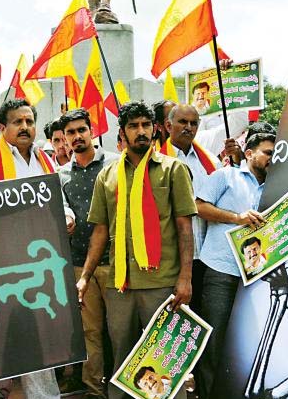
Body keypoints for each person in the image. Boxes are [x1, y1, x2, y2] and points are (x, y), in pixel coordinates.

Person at [77, 101, 197, 399]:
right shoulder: (107, 175)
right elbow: (100, 231)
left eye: (145, 125)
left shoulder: (173, 169)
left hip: (162, 282)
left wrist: (185, 278)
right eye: (133, 126)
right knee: (124, 359)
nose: (141, 131)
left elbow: (185, 228)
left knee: (165, 360)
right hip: (120, 285)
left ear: (155, 129)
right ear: (122, 133)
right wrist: (85, 276)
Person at [0, 98, 69, 399]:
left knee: (40, 335)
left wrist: (67, 217)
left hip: (40, 262)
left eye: (29, 121)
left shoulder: (45, 160)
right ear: (2, 127)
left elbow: (58, 201)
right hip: (1, 263)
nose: (25, 127)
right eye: (17, 122)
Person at [193, 132, 276, 398]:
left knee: (248, 344)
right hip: (222, 271)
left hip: (257, 278)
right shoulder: (225, 176)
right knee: (215, 341)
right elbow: (199, 207)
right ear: (249, 153)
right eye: (268, 153)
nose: (273, 159)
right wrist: (237, 218)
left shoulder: (278, 184)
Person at [58, 108, 119, 398]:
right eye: (70, 132)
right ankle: (94, 390)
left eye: (81, 130)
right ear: (64, 138)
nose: (77, 136)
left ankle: (123, 389)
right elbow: (62, 208)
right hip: (79, 265)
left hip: (116, 262)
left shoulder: (116, 164)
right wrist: (66, 217)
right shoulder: (61, 175)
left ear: (91, 131)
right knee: (89, 332)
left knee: (120, 331)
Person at [161, 104, 242, 314]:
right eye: (182, 122)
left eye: (193, 123)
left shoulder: (211, 162)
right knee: (175, 318)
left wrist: (237, 161)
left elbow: (229, 196)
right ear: (168, 126)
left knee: (203, 318)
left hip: (206, 256)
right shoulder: (157, 162)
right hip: (173, 259)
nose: (188, 127)